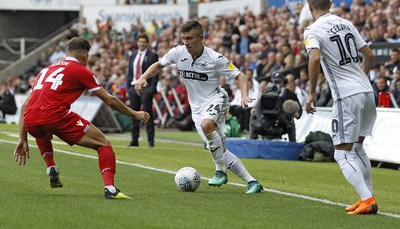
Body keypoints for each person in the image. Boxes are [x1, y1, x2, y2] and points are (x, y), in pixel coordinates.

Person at [13, 37, 150, 200]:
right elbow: (110, 100)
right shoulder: (81, 71)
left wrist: (23, 138)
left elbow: (24, 106)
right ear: (85, 55)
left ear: (66, 53)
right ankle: (110, 188)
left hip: (31, 120)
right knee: (103, 144)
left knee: (43, 130)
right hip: (55, 115)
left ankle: (51, 167)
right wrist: (134, 113)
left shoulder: (46, 70)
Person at [135, 20, 263, 193]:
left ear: (201, 38)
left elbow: (240, 76)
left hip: (216, 99)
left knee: (207, 125)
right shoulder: (178, 52)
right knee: (220, 150)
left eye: (189, 38)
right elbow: (159, 65)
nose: (186, 43)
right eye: (183, 39)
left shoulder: (215, 58)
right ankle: (252, 182)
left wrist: (245, 95)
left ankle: (220, 171)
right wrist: (143, 77)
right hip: (196, 109)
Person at [304, 0, 377, 215]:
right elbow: (369, 55)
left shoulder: (312, 30)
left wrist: (312, 93)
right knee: (357, 147)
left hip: (346, 95)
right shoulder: (346, 23)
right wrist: (362, 78)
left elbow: (314, 59)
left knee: (341, 152)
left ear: (309, 7)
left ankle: (367, 198)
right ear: (330, 4)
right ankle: (366, 197)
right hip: (366, 92)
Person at [126, 34, 159, 147]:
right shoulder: (133, 55)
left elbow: (155, 73)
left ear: (147, 43)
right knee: (134, 114)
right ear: (137, 42)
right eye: (140, 41)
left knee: (147, 114)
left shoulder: (152, 55)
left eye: (144, 42)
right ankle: (134, 140)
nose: (142, 43)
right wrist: (128, 87)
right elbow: (130, 72)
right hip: (133, 87)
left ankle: (151, 141)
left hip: (146, 88)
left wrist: (151, 88)